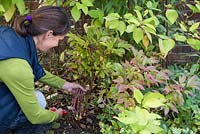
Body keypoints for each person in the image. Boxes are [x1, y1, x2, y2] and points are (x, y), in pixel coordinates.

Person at [0, 6, 86, 133]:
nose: (57, 45)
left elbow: (34, 70)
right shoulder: (18, 67)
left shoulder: (12, 35)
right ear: (49, 34)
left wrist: (65, 85)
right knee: (38, 102)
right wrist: (57, 114)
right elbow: (36, 116)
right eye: (59, 40)